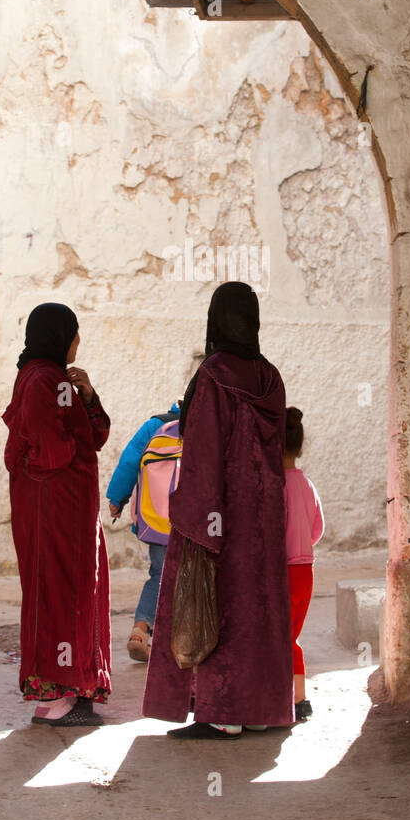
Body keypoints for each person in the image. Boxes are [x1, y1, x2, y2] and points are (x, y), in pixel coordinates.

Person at [142, 281, 294, 739]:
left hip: (220, 512)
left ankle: (223, 713)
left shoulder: (213, 374)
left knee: (221, 601)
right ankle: (258, 709)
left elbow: (204, 452)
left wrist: (193, 516)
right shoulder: (270, 377)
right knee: (258, 605)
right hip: (263, 514)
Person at [1, 302, 111, 727]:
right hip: (56, 511)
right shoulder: (41, 380)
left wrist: (86, 395)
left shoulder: (53, 379)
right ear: (59, 335)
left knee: (73, 589)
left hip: (68, 511)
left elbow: (95, 434)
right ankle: (56, 697)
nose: (78, 341)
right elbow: (50, 449)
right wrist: (76, 451)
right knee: (61, 593)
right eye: (75, 333)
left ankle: (73, 687)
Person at [106, 398, 183, 661]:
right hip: (197, 522)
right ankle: (184, 643)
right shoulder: (208, 424)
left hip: (158, 519)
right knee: (197, 578)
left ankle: (140, 630)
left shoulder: (154, 426)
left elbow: (129, 462)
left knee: (159, 575)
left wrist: (117, 499)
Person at [283, 405, 324, 722]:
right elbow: (317, 530)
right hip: (305, 571)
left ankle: (286, 701)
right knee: (291, 636)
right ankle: (300, 701)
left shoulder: (273, 486)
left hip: (281, 571)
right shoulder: (307, 484)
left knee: (276, 637)